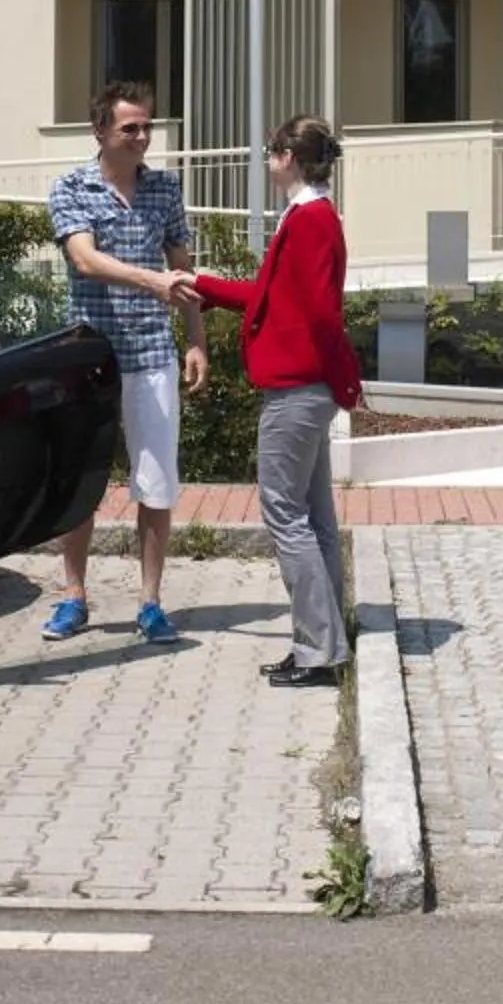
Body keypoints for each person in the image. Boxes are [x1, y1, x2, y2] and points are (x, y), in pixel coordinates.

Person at [166, 115, 362, 689]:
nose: (268, 160)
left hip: (297, 389)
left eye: (273, 152)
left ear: (291, 158)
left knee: (284, 514)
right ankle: (322, 643)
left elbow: (324, 314)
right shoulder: (307, 217)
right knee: (314, 518)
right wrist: (200, 282)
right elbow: (270, 297)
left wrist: (342, 378)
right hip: (305, 386)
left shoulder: (311, 221)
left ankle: (318, 651)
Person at [42, 81, 206, 644]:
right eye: (129, 128)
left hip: (153, 355)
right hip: (88, 357)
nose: (141, 137)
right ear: (100, 132)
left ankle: (151, 603)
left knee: (157, 483)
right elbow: (84, 259)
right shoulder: (71, 187)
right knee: (82, 480)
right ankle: (73, 597)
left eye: (146, 127)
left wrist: (196, 340)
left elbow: (184, 271)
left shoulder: (164, 189)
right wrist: (152, 281)